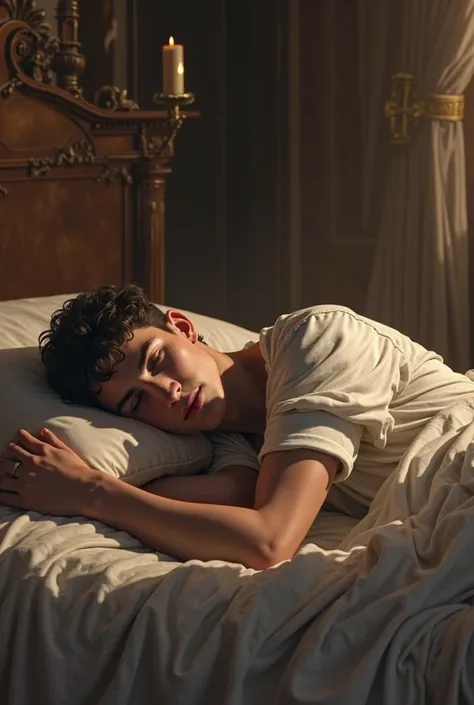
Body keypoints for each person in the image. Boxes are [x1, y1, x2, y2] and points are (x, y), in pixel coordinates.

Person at [1, 284, 473, 569]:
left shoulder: (316, 340)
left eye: (157, 360)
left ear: (183, 327)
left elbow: (268, 541)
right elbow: (213, 503)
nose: (167, 392)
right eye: (135, 400)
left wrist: (91, 491)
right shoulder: (229, 444)